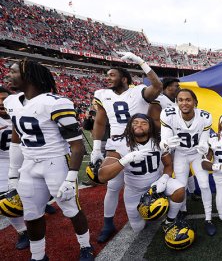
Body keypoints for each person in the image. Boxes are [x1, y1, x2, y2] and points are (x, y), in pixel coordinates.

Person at [4, 59, 93, 260]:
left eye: (13, 71)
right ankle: (38, 256)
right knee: (31, 214)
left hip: (55, 163)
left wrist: (71, 178)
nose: (8, 75)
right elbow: (16, 140)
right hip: (29, 164)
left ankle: (85, 246)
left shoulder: (56, 103)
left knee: (71, 209)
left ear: (29, 75)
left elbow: (77, 145)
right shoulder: (11, 102)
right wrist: (12, 173)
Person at [91, 51, 163, 242]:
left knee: (152, 177)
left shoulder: (138, 91)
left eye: (112, 75)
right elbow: (99, 122)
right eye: (107, 75)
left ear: (124, 78)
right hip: (117, 143)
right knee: (113, 186)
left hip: (142, 140)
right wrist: (97, 148)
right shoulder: (102, 94)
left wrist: (140, 61)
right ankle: (108, 224)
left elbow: (157, 85)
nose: (108, 78)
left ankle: (159, 208)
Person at [97, 114, 185, 233]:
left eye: (144, 123)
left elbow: (169, 165)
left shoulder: (158, 141)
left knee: (179, 189)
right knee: (138, 228)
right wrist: (125, 159)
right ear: (129, 125)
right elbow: (102, 176)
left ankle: (169, 220)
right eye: (135, 122)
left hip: (155, 185)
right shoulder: (120, 143)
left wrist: (163, 180)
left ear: (150, 127)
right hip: (134, 191)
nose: (139, 125)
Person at [160, 88, 216, 235]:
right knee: (181, 185)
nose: (184, 103)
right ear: (176, 102)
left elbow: (204, 140)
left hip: (197, 154)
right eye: (180, 100)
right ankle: (182, 210)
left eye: (188, 99)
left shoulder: (205, 116)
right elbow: (163, 143)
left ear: (195, 102)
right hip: (180, 153)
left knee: (204, 184)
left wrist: (205, 146)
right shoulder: (168, 115)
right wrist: (166, 144)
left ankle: (208, 218)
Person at [0, 86, 29, 250]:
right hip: (3, 162)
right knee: (6, 198)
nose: (1, 102)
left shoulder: (21, 114)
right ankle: (22, 230)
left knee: (35, 191)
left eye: (4, 99)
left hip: (26, 159)